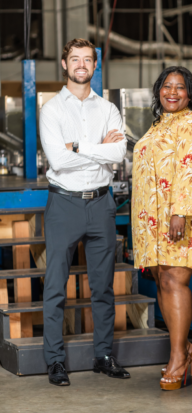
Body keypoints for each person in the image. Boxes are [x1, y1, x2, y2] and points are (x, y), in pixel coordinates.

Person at [40, 38, 131, 386]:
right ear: (64, 64)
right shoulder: (52, 110)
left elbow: (118, 153)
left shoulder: (107, 108)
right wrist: (100, 149)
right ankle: (55, 361)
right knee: (55, 287)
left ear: (95, 65)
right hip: (63, 203)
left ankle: (103, 355)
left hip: (101, 203)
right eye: (74, 59)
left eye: (87, 60)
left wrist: (78, 145)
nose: (81, 65)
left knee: (103, 286)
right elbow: (58, 162)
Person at [132, 66, 192, 391]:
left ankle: (179, 358)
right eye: (167, 86)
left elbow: (189, 170)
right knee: (162, 279)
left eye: (180, 87)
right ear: (159, 91)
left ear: (190, 94)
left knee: (175, 280)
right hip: (152, 221)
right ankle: (180, 349)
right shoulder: (157, 125)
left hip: (180, 216)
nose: (172, 92)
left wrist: (180, 212)